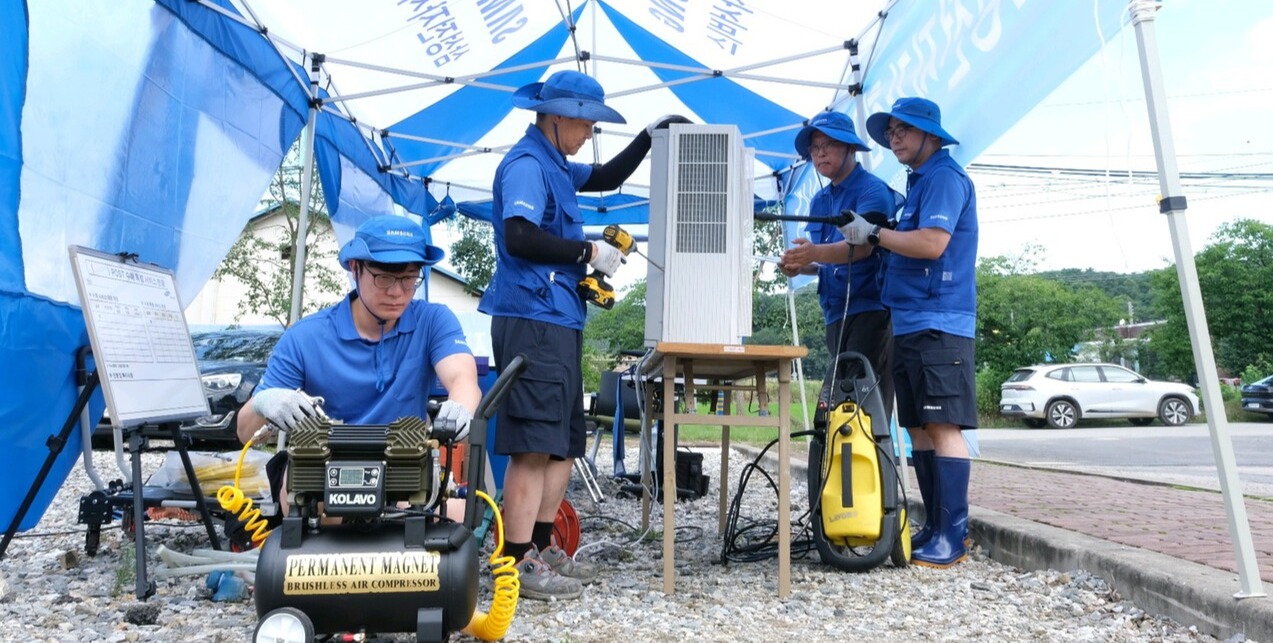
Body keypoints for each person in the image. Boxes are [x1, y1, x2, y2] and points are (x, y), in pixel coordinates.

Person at [479, 69, 687, 600]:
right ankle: (515, 561)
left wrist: (649, 135)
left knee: (564, 440)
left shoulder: (555, 164)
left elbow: (606, 177)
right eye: (587, 123)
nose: (591, 132)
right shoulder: (527, 165)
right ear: (556, 117)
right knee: (531, 444)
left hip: (560, 319)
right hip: (531, 320)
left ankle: (543, 547)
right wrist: (586, 251)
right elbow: (520, 235)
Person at [237, 214, 482, 522]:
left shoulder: (433, 321)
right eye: (383, 278)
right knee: (309, 495)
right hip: (325, 470)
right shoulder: (304, 338)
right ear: (355, 269)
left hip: (404, 465)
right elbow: (244, 431)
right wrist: (265, 401)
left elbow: (462, 376)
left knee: (458, 515)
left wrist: (460, 407)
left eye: (409, 279)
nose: (397, 292)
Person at [839, 97, 978, 568]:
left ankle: (953, 536)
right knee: (917, 427)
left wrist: (874, 235)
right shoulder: (919, 181)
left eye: (903, 130)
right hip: (912, 318)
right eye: (891, 131)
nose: (894, 138)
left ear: (930, 134)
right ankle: (935, 527)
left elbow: (932, 244)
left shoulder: (943, 177)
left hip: (940, 320)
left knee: (942, 426)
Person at [778, 110, 897, 420]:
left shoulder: (872, 190)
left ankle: (872, 467)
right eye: (815, 147)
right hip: (834, 313)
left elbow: (861, 249)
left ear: (850, 147)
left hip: (870, 309)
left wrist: (814, 251)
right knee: (839, 406)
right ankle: (842, 467)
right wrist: (797, 264)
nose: (820, 153)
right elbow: (824, 263)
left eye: (829, 144)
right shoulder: (819, 201)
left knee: (863, 405)